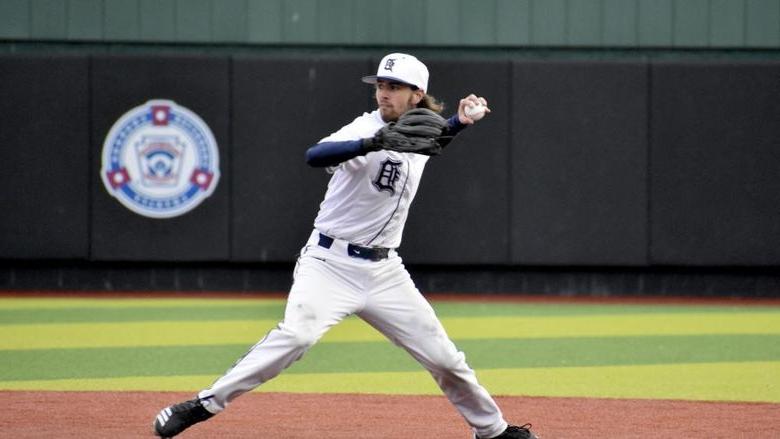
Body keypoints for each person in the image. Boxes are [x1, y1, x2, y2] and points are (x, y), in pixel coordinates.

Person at [153, 53, 539, 439]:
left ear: (417, 94)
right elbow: (314, 155)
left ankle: (492, 431)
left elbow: (432, 139)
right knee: (297, 336)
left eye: (394, 87)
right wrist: (370, 143)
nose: (383, 93)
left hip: (385, 271)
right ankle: (202, 404)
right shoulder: (362, 128)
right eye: (381, 86)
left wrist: (461, 122)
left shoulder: (420, 129)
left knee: (445, 358)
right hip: (330, 262)